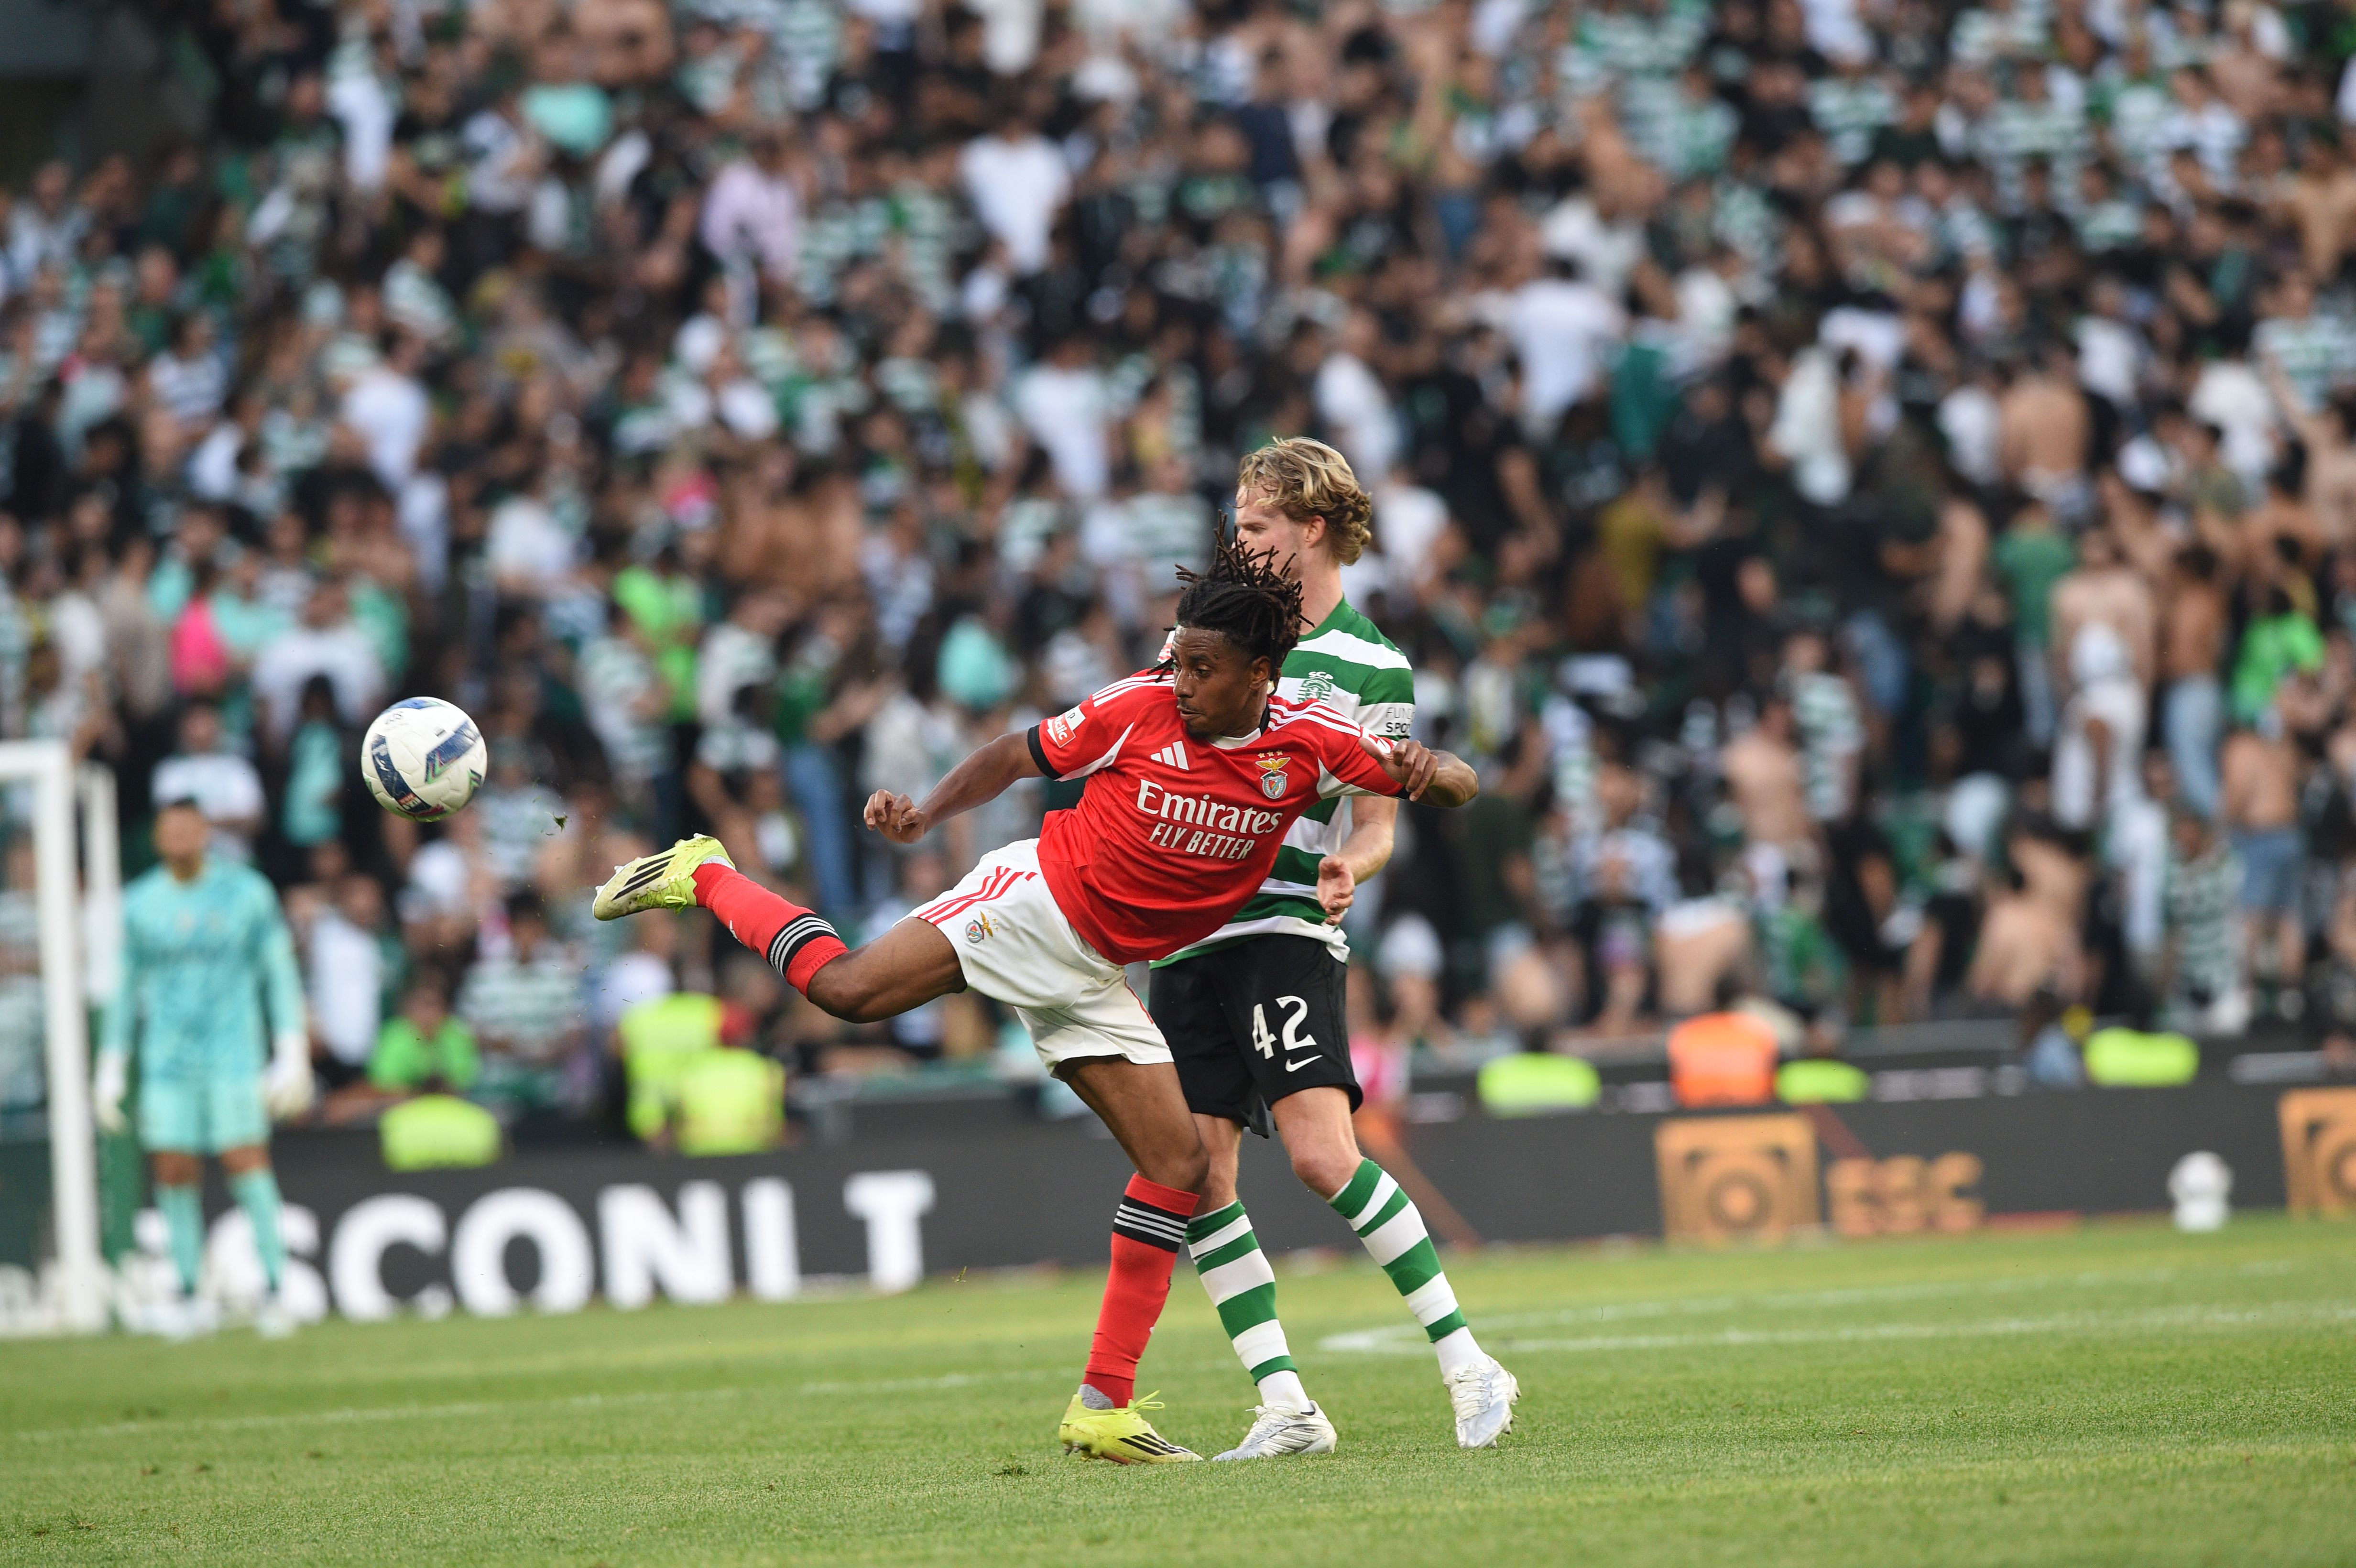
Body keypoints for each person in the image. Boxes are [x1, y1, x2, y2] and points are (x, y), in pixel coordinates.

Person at [590, 538, 1480, 1462]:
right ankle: (705, 875)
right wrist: (928, 814)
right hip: (1030, 908)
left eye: (1200, 668)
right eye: (1175, 658)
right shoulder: (1137, 708)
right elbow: (1015, 756)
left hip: (1096, 974)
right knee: (848, 992)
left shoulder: (1307, 743)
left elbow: (1457, 783)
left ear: (1261, 673)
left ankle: (1101, 1405)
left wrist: (1419, 767)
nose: (1177, 680)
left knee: (1179, 1168)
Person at [1145, 438, 1520, 1458]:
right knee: (1196, 1170)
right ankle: (1285, 1404)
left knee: (1319, 1155)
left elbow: (1382, 813)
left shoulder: (1372, 665)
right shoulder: (1209, 633)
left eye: (1258, 524)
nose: (1240, 541)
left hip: (1282, 928)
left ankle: (1468, 1360)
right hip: (1186, 935)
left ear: (1312, 526)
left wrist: (1355, 859)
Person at [91, 796, 311, 1337]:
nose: (181, 837)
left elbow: (277, 972)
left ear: (206, 832)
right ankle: (188, 1293)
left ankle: (276, 1290)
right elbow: (125, 990)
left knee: (246, 1161)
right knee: (172, 1168)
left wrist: (290, 1047)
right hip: (167, 1062)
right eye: (171, 829)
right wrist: (112, 1061)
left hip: (233, 1055)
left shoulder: (246, 893)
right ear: (160, 836)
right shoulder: (140, 903)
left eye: (190, 827)